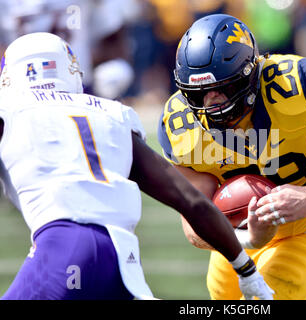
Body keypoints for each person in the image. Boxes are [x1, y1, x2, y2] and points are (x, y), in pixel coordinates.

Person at [0, 32, 273, 300]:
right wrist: (247, 271)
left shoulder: (8, 111)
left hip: (63, 247)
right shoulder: (111, 113)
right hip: (121, 260)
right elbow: (191, 201)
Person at [158, 14, 306, 300]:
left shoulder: (293, 85)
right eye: (200, 95)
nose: (214, 104)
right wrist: (249, 238)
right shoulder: (181, 125)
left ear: (249, 72)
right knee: (224, 296)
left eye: (224, 89)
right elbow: (194, 223)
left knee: (270, 295)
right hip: (237, 234)